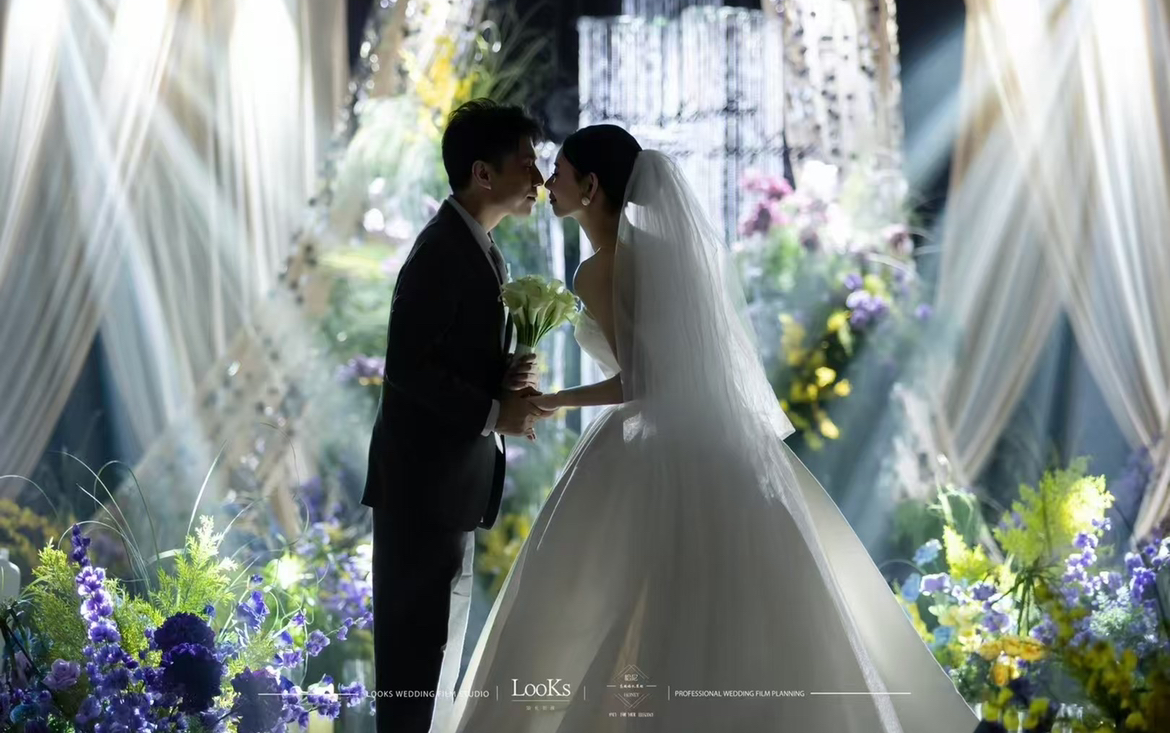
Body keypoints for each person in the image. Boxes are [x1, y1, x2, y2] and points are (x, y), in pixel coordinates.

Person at [443, 125, 981, 731]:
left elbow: (641, 381)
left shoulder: (597, 271)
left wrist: (558, 400)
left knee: (614, 592)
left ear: (590, 187)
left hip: (648, 446)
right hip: (717, 444)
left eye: (560, 173)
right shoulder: (665, 255)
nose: (547, 183)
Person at [361, 99, 556, 733]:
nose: (539, 178)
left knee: (436, 664)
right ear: (483, 173)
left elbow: (445, 357)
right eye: (526, 163)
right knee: (414, 672)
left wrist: (503, 375)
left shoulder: (478, 247)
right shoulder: (442, 250)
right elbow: (407, 367)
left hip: (446, 494)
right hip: (422, 495)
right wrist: (495, 411)